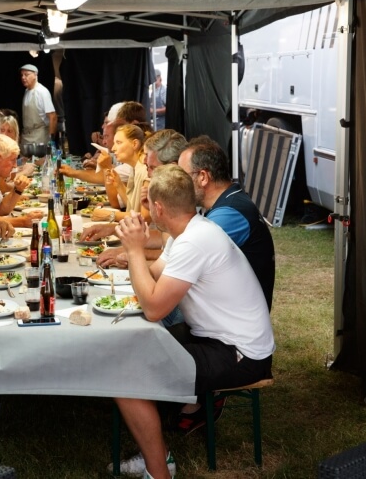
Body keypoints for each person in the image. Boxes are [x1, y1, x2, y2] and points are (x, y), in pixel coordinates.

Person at [110, 165, 275, 478]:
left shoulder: (193, 241)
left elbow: (154, 309)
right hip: (217, 338)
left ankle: (159, 471)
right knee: (130, 346)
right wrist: (132, 254)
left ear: (159, 208)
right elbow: (157, 274)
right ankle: (154, 455)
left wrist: (133, 252)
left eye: (148, 204)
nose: (146, 210)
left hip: (241, 352)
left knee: (124, 374)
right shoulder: (189, 229)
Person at [178, 137, 276, 310]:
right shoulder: (229, 200)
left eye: (182, 177)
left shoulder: (230, 213)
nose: (178, 185)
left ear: (203, 177)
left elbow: (182, 257)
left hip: (235, 319)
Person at [91, 129, 188, 268]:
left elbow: (176, 257)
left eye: (152, 167)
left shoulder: (187, 197)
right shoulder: (170, 190)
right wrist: (114, 230)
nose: (148, 171)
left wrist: (133, 254)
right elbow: (164, 240)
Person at [91, 124, 150, 223]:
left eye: (118, 143)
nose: (113, 148)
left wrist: (111, 215)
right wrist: (118, 184)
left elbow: (145, 217)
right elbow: (132, 206)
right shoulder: (135, 168)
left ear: (134, 144)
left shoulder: (146, 169)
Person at [19, 64, 56, 145]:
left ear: (35, 74)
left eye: (26, 75)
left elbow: (52, 116)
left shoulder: (42, 92)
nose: (23, 77)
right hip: (26, 135)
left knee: (39, 158)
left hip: (40, 136)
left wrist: (51, 140)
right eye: (22, 75)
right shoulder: (26, 91)